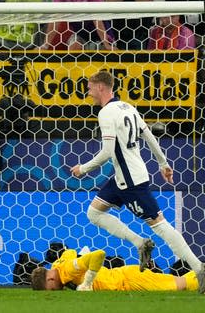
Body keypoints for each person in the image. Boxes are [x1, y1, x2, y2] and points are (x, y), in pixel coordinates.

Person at [70, 71, 205, 286]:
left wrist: (83, 169)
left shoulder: (106, 113)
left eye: (90, 87)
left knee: (159, 224)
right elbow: (149, 135)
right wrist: (163, 163)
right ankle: (140, 242)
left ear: (101, 87)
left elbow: (107, 151)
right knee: (94, 212)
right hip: (125, 176)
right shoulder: (127, 107)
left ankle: (199, 268)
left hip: (131, 181)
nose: (89, 92)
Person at [31, 248, 204, 292]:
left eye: (53, 289)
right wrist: (80, 258)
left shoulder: (66, 270)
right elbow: (69, 252)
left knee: (182, 284)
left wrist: (88, 282)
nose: (57, 290)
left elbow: (99, 254)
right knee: (181, 282)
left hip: (129, 280)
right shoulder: (57, 265)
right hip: (126, 278)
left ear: (50, 280)